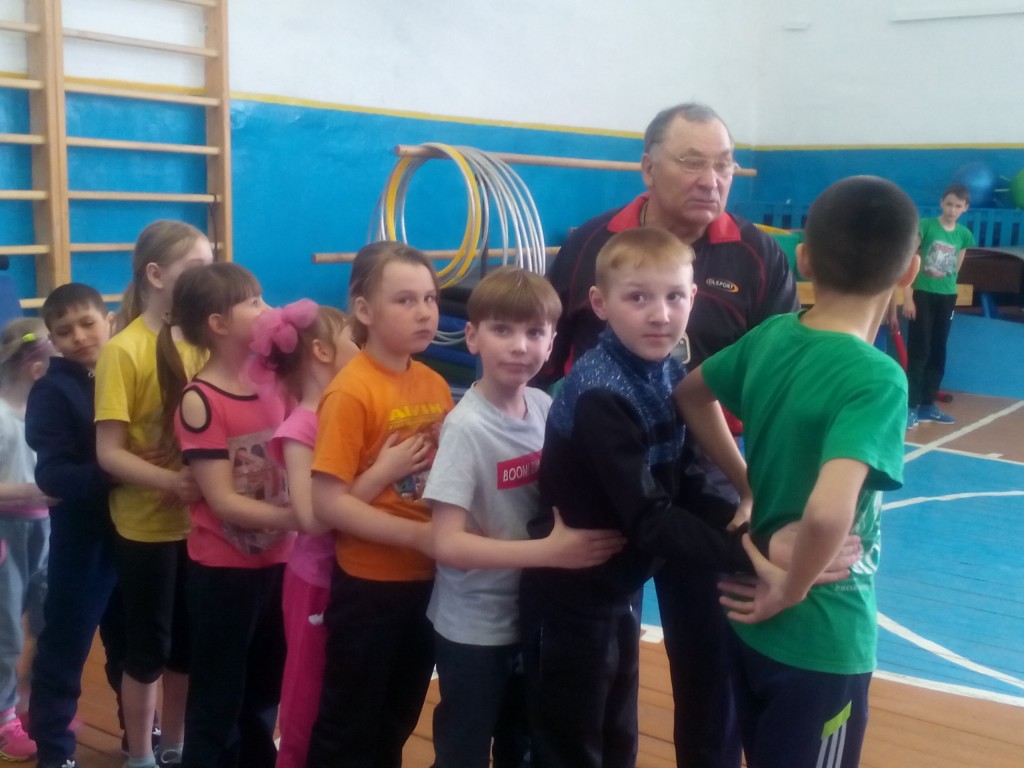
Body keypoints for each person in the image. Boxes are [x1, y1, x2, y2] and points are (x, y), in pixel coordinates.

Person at [538, 102, 799, 768]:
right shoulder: (590, 246)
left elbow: (782, 384)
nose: (712, 179)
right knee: (596, 669)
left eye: (725, 165)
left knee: (709, 667)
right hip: (609, 483)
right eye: (692, 161)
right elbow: (544, 358)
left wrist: (758, 496)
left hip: (708, 474)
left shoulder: (760, 256)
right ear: (648, 168)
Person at [675, 176, 920, 767]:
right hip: (821, 636)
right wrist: (793, 586)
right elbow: (829, 512)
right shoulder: (876, 378)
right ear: (910, 270)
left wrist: (746, 483)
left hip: (750, 623)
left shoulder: (771, 337)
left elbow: (689, 394)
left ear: (804, 259)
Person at [423, 267, 625, 768]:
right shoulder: (466, 429)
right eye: (502, 330)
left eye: (535, 332)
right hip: (474, 627)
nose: (519, 346)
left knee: (524, 742)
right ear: (472, 337)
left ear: (552, 342)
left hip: (532, 618)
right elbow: (446, 543)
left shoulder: (542, 406)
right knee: (464, 749)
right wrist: (548, 553)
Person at [305, 242, 454, 767]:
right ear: (364, 310)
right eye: (405, 300)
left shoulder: (434, 384)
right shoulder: (352, 392)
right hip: (371, 585)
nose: (424, 312)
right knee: (349, 722)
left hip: (427, 580)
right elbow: (328, 504)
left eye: (430, 298)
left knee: (398, 714)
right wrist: (417, 535)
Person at [159, 263, 292, 768]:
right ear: (218, 324)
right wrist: (304, 517)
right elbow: (222, 501)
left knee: (264, 690)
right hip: (224, 572)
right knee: (219, 696)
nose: (267, 309)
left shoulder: (277, 381)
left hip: (279, 563)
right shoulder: (201, 400)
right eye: (253, 303)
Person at [95, 220, 213, 768]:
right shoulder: (124, 351)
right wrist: (172, 481)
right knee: (147, 649)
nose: (208, 277)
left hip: (201, 527)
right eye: (197, 267)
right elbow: (109, 452)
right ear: (157, 275)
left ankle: (175, 745)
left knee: (186, 648)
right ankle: (140, 754)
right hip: (146, 528)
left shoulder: (206, 344)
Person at [27, 284, 127, 768]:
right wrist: (117, 470)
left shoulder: (126, 372)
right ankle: (54, 748)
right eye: (65, 331)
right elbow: (51, 476)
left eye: (88, 323)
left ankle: (140, 731)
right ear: (53, 339)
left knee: (133, 642)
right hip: (81, 540)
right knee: (66, 644)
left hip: (135, 533)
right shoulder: (52, 390)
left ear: (108, 320)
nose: (80, 336)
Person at [0, 318, 55, 763]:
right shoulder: (1, 415)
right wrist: (32, 490)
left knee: (47, 621)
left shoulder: (43, 412)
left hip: (46, 528)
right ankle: (4, 719)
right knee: (6, 632)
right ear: (34, 367)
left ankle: (33, 702)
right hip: (7, 531)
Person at [904, 183, 975, 428]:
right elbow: (909, 260)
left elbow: (957, 266)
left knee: (938, 350)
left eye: (958, 206)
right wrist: (908, 296)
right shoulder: (926, 226)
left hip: (947, 297)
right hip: (923, 294)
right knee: (920, 350)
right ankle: (911, 406)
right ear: (941, 203)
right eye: (949, 204)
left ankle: (927, 404)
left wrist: (949, 287)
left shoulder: (964, 235)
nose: (952, 209)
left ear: (965, 208)